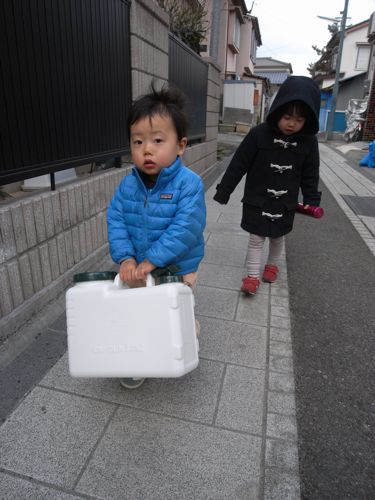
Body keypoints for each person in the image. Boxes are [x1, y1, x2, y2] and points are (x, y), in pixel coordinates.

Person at [107, 84, 206, 388]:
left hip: (178, 267)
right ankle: (140, 360)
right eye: (138, 142)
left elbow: (186, 227)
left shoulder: (189, 184)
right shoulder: (128, 186)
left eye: (158, 140)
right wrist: (126, 257)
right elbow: (116, 220)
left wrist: (153, 259)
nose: (146, 149)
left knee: (176, 309)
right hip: (138, 265)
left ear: (180, 145)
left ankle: (187, 330)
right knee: (139, 312)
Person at [213, 76, 321, 295]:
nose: (292, 124)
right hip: (258, 198)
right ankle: (252, 277)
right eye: (287, 117)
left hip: (285, 202)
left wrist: (311, 201)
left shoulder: (309, 142)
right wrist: (224, 190)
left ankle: (272, 265)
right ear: (277, 111)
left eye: (299, 120)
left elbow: (310, 174)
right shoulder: (258, 134)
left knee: (278, 236)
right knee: (256, 237)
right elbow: (238, 164)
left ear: (308, 120)